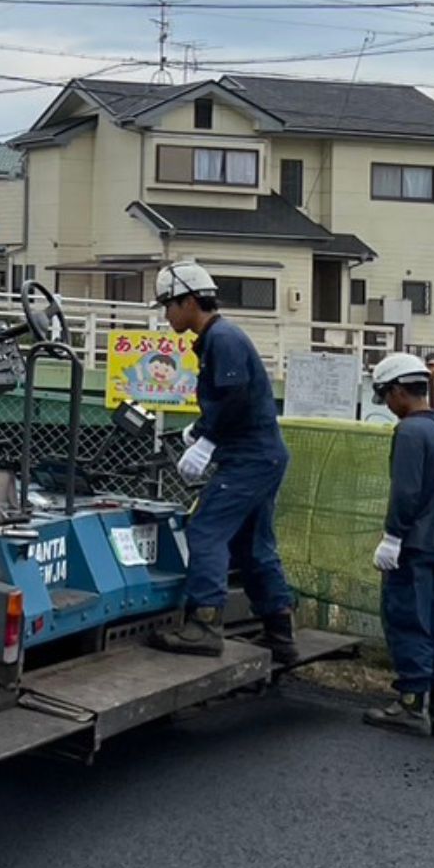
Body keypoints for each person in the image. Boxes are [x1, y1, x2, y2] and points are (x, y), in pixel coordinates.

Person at [146, 260, 301, 662]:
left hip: (248, 459)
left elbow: (234, 396)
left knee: (206, 531)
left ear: (191, 300)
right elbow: (231, 398)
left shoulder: (222, 338)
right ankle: (279, 631)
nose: (166, 315)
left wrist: (207, 441)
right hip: (262, 456)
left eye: (169, 305)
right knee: (252, 544)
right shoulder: (220, 338)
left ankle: (204, 625)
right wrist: (198, 431)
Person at [363, 353, 434, 738]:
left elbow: (406, 491)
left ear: (397, 391)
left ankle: (412, 705)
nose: (388, 406)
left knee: (409, 620)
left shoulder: (409, 432)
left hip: (414, 545)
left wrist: (393, 536)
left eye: (385, 396)